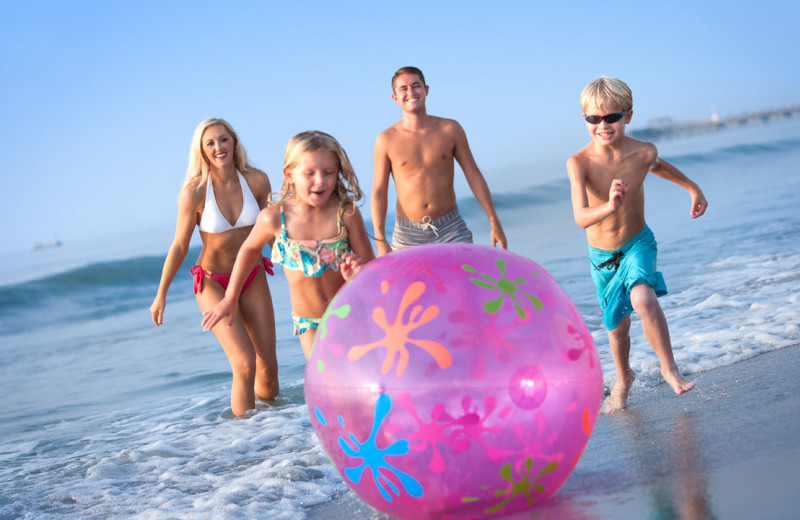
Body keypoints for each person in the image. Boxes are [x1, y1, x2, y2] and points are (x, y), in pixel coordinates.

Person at [566, 77, 708, 413]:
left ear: (628, 116)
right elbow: (581, 217)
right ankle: (623, 376)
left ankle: (669, 368)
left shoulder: (642, 151)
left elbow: (658, 167)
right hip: (602, 258)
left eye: (611, 117)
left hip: (637, 242)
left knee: (643, 298)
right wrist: (609, 206)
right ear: (584, 119)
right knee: (617, 329)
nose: (603, 125)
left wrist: (692, 188)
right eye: (593, 119)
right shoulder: (580, 163)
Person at [201, 131, 374, 360]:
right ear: (289, 175)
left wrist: (356, 274)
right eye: (309, 173)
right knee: (324, 385)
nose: (320, 180)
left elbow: (371, 270)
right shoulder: (273, 218)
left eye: (329, 172)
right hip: (309, 323)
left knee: (361, 379)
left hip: (351, 314)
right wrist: (230, 298)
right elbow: (249, 249)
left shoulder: (346, 214)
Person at [150, 118, 279, 417]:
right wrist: (161, 294)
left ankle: (275, 436)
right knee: (244, 364)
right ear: (202, 150)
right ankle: (246, 445)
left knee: (268, 368)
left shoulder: (257, 180)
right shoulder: (194, 192)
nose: (219, 147)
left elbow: (272, 232)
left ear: (234, 142)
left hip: (252, 275)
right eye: (210, 143)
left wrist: (298, 266)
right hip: (212, 282)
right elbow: (180, 246)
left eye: (224, 139)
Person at [371, 66, 507, 256]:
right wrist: (380, 239)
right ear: (395, 98)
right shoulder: (386, 140)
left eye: (416, 86)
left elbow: (473, 175)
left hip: (450, 227)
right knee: (413, 286)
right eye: (403, 89)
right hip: (408, 234)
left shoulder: (450, 129)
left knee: (463, 283)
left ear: (426, 90)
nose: (411, 92)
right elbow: (379, 191)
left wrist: (494, 222)